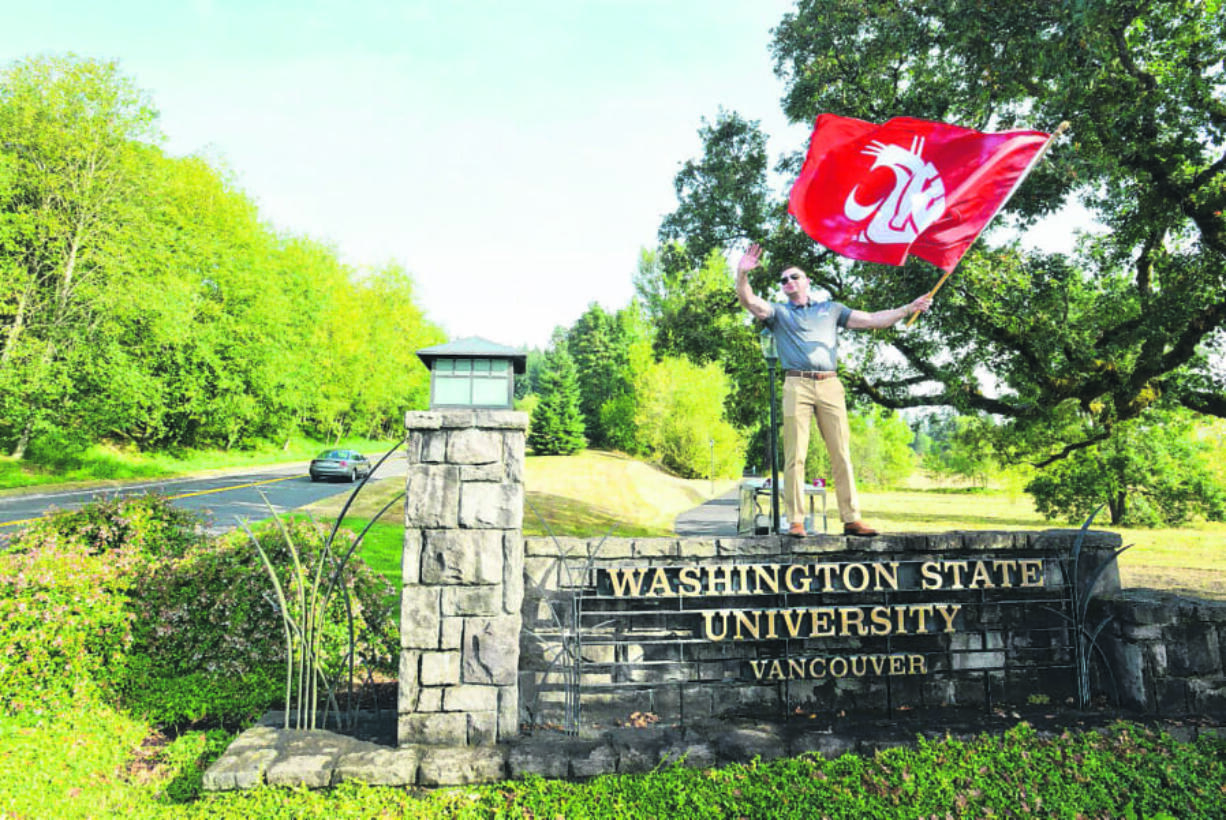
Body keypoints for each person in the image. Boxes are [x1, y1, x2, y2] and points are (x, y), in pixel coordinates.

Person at [735, 243, 932, 537]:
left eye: (794, 277)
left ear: (807, 281)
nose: (789, 282)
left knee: (840, 452)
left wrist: (909, 308)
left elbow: (872, 319)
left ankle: (852, 519)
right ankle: (796, 521)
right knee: (795, 455)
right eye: (784, 280)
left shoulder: (832, 309)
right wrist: (742, 274)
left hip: (830, 384)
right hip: (796, 384)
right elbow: (749, 301)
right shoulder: (778, 313)